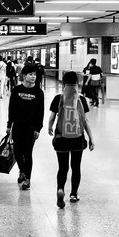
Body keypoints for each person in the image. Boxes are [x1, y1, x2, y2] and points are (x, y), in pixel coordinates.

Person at [47, 71, 94, 208]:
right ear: (77, 83)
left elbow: (51, 117)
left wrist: (50, 128)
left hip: (61, 138)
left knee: (62, 167)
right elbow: (85, 120)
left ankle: (60, 189)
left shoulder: (58, 98)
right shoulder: (81, 99)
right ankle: (73, 194)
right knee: (76, 166)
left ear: (63, 83)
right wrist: (91, 138)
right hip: (77, 139)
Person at [6, 63, 44, 191]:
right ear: (24, 75)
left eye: (35, 74)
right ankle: (22, 170)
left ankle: (27, 178)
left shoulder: (38, 92)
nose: (33, 77)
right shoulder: (17, 90)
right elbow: (11, 108)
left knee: (28, 153)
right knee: (17, 152)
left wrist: (38, 128)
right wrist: (9, 125)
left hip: (31, 128)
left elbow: (40, 112)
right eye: (30, 74)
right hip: (18, 126)